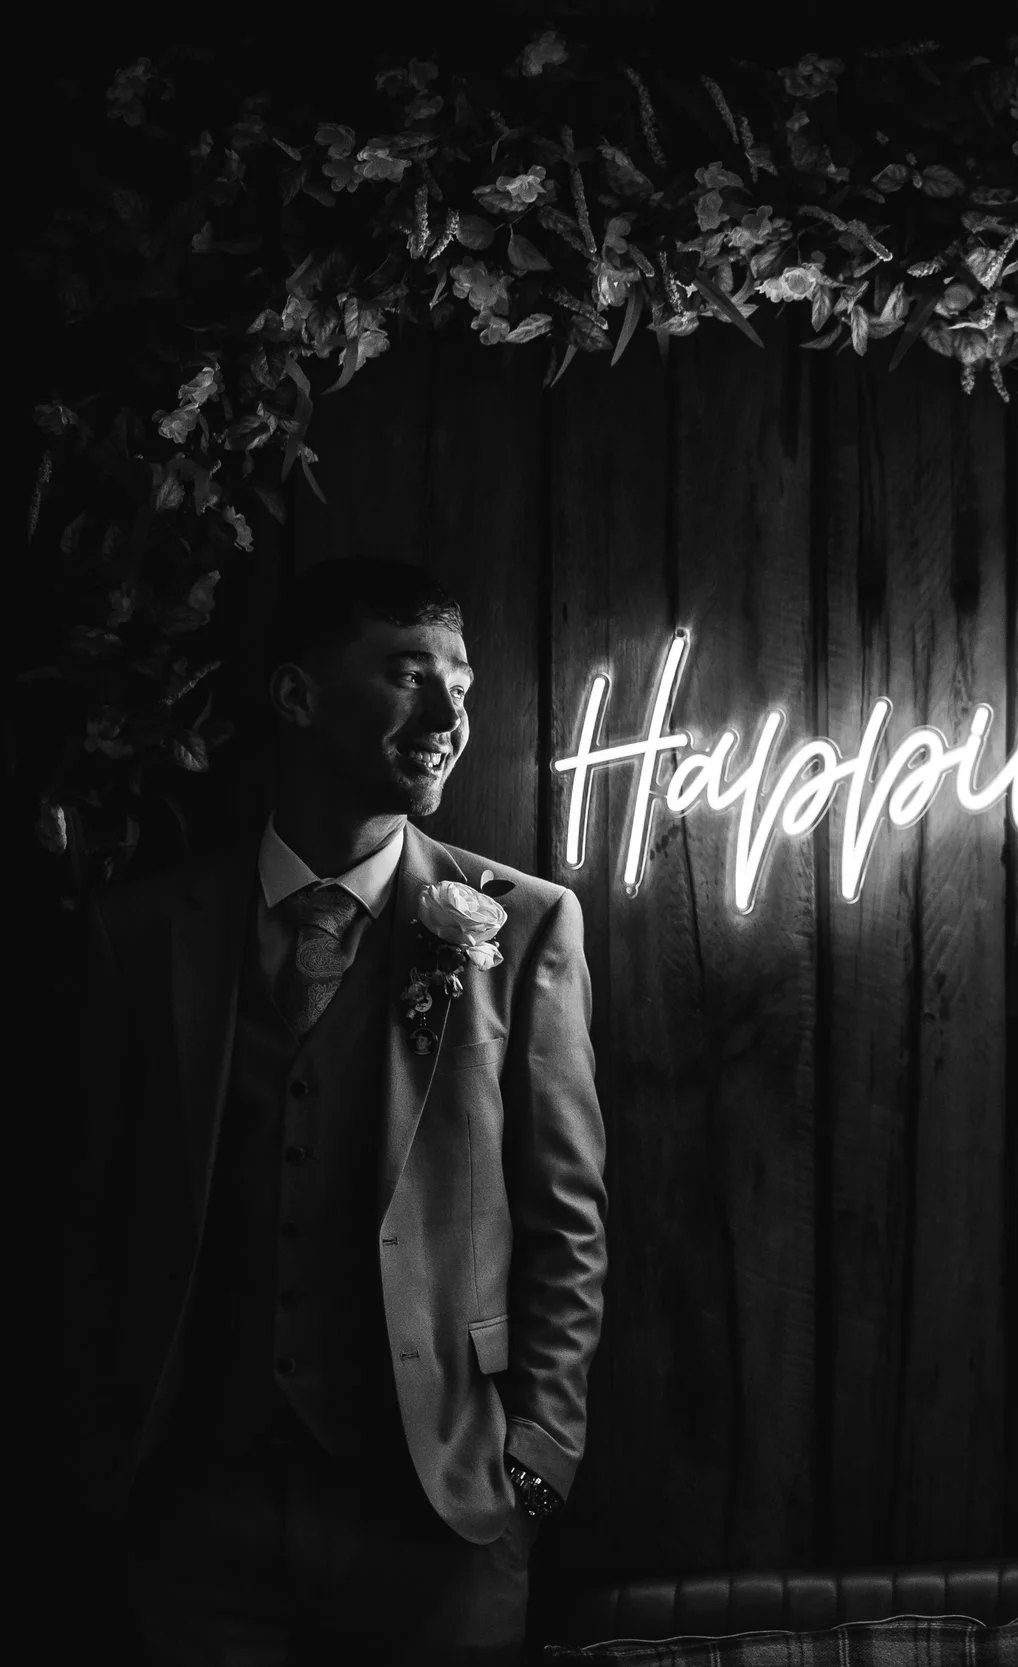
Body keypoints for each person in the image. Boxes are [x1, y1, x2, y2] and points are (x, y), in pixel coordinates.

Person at [69, 559, 609, 1664]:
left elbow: (566, 1213)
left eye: (463, 681)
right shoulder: (141, 933)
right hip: (192, 1517)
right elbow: (81, 1211)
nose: (450, 713)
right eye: (411, 675)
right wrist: (92, 1444)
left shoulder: (528, 925)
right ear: (299, 696)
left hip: (438, 1507)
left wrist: (540, 1448)